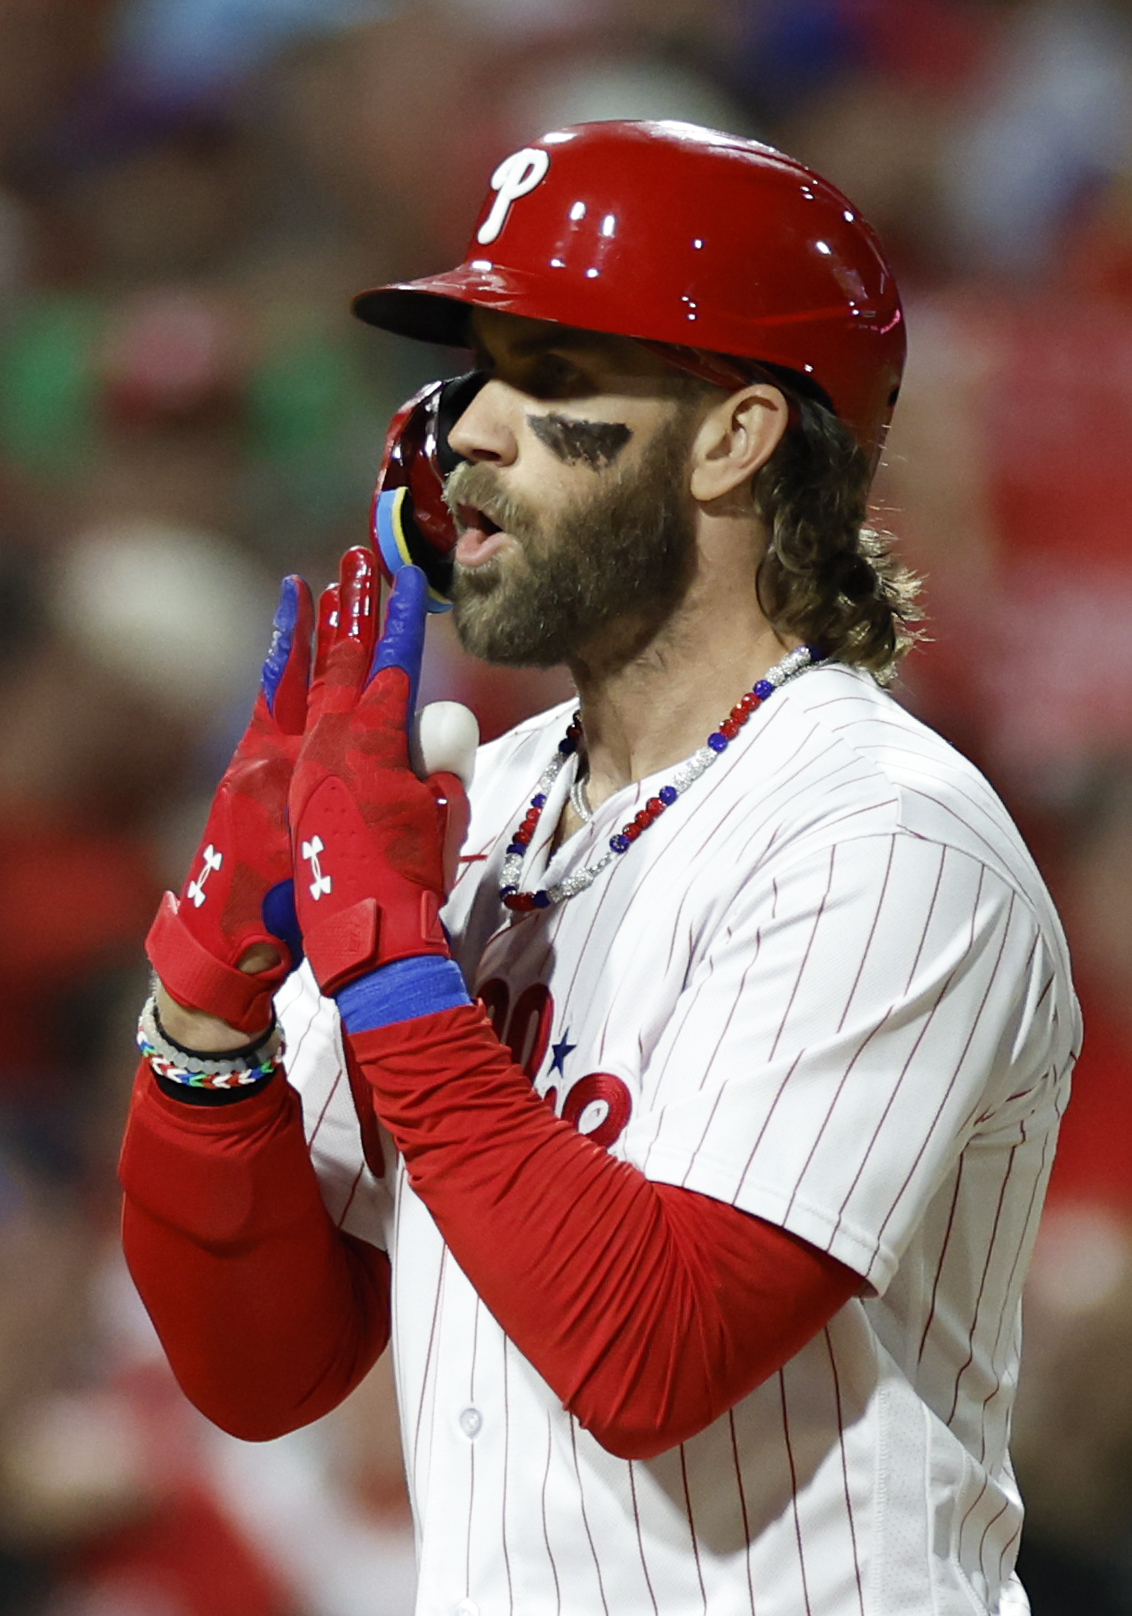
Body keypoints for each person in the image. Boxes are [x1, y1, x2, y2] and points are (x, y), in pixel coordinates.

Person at [118, 120, 1081, 1616]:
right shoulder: (481, 811)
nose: (468, 436)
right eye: (477, 377)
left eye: (551, 379)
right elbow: (262, 1368)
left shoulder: (880, 836)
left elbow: (655, 1354)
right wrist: (208, 1006)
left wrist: (388, 971)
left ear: (736, 436)